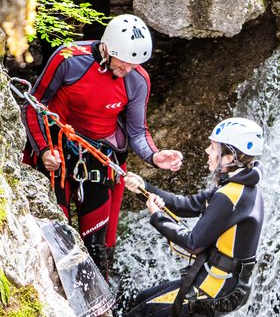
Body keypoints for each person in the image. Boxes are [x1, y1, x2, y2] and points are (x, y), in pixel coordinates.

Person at [107, 117, 265, 317]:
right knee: (141, 304)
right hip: (216, 280)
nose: (207, 151)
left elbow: (193, 242)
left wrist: (156, 217)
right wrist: (144, 187)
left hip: (220, 288)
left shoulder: (231, 196)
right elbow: (186, 204)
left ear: (229, 157)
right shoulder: (236, 186)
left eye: (214, 148)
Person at [21, 14, 183, 279]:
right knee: (55, 231)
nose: (128, 69)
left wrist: (155, 157)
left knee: (98, 244)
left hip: (99, 158)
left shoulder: (137, 80)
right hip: (57, 150)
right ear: (108, 48)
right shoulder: (69, 59)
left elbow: (137, 131)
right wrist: (43, 150)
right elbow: (34, 105)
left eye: (135, 64)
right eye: (124, 62)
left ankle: (99, 306)